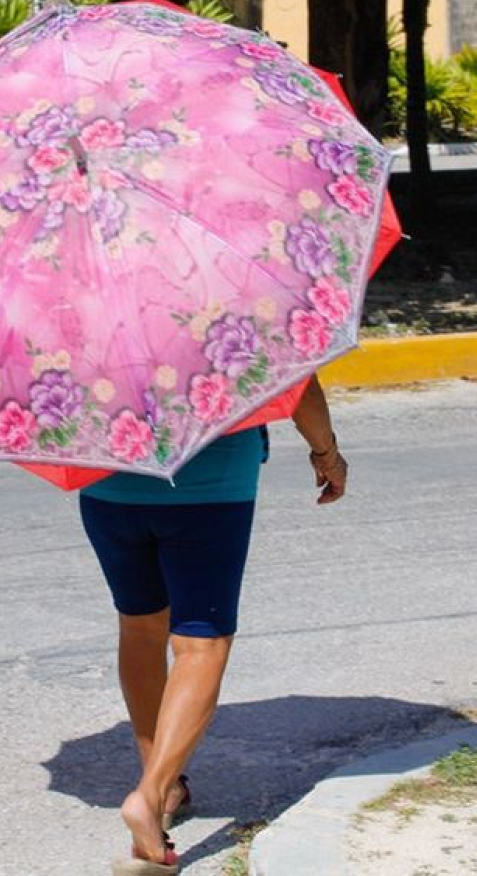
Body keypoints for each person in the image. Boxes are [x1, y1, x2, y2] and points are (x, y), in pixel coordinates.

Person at [78, 374, 348, 875]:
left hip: (108, 477)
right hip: (210, 487)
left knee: (139, 626)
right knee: (201, 644)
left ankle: (164, 789)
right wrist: (326, 454)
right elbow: (296, 385)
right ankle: (150, 793)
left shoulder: (89, 300)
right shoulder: (229, 297)